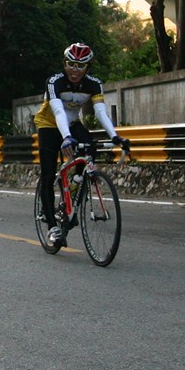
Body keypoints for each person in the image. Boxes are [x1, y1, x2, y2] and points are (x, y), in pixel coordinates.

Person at [34, 42, 130, 246]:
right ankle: (52, 226)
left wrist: (115, 136)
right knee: (48, 173)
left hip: (72, 123)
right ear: (64, 63)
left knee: (89, 146)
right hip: (49, 125)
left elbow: (100, 112)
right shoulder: (55, 81)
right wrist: (66, 137)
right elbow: (58, 111)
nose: (74, 70)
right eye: (70, 64)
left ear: (88, 67)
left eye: (80, 66)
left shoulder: (93, 84)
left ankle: (76, 182)